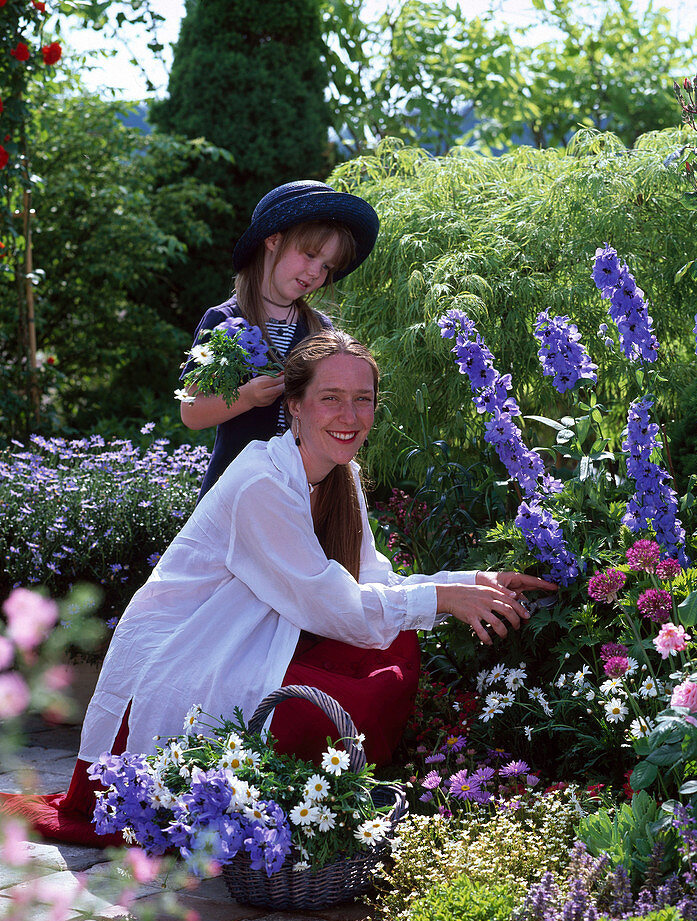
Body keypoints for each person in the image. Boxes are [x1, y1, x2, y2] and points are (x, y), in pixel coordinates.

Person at [8, 330, 556, 846]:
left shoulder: (341, 477)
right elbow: (327, 601)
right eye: (331, 398)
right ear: (294, 405)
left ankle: (298, 802)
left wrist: (470, 582)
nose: (350, 416)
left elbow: (373, 583)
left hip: (257, 644)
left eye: (362, 400)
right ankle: (253, 801)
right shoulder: (261, 483)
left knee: (392, 648)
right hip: (184, 662)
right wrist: (443, 598)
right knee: (319, 707)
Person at [181, 179, 380, 498]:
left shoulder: (320, 330)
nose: (316, 272)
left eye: (327, 266)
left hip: (302, 494)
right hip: (235, 491)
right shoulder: (225, 322)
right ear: (272, 239)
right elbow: (191, 411)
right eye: (310, 254)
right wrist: (246, 397)